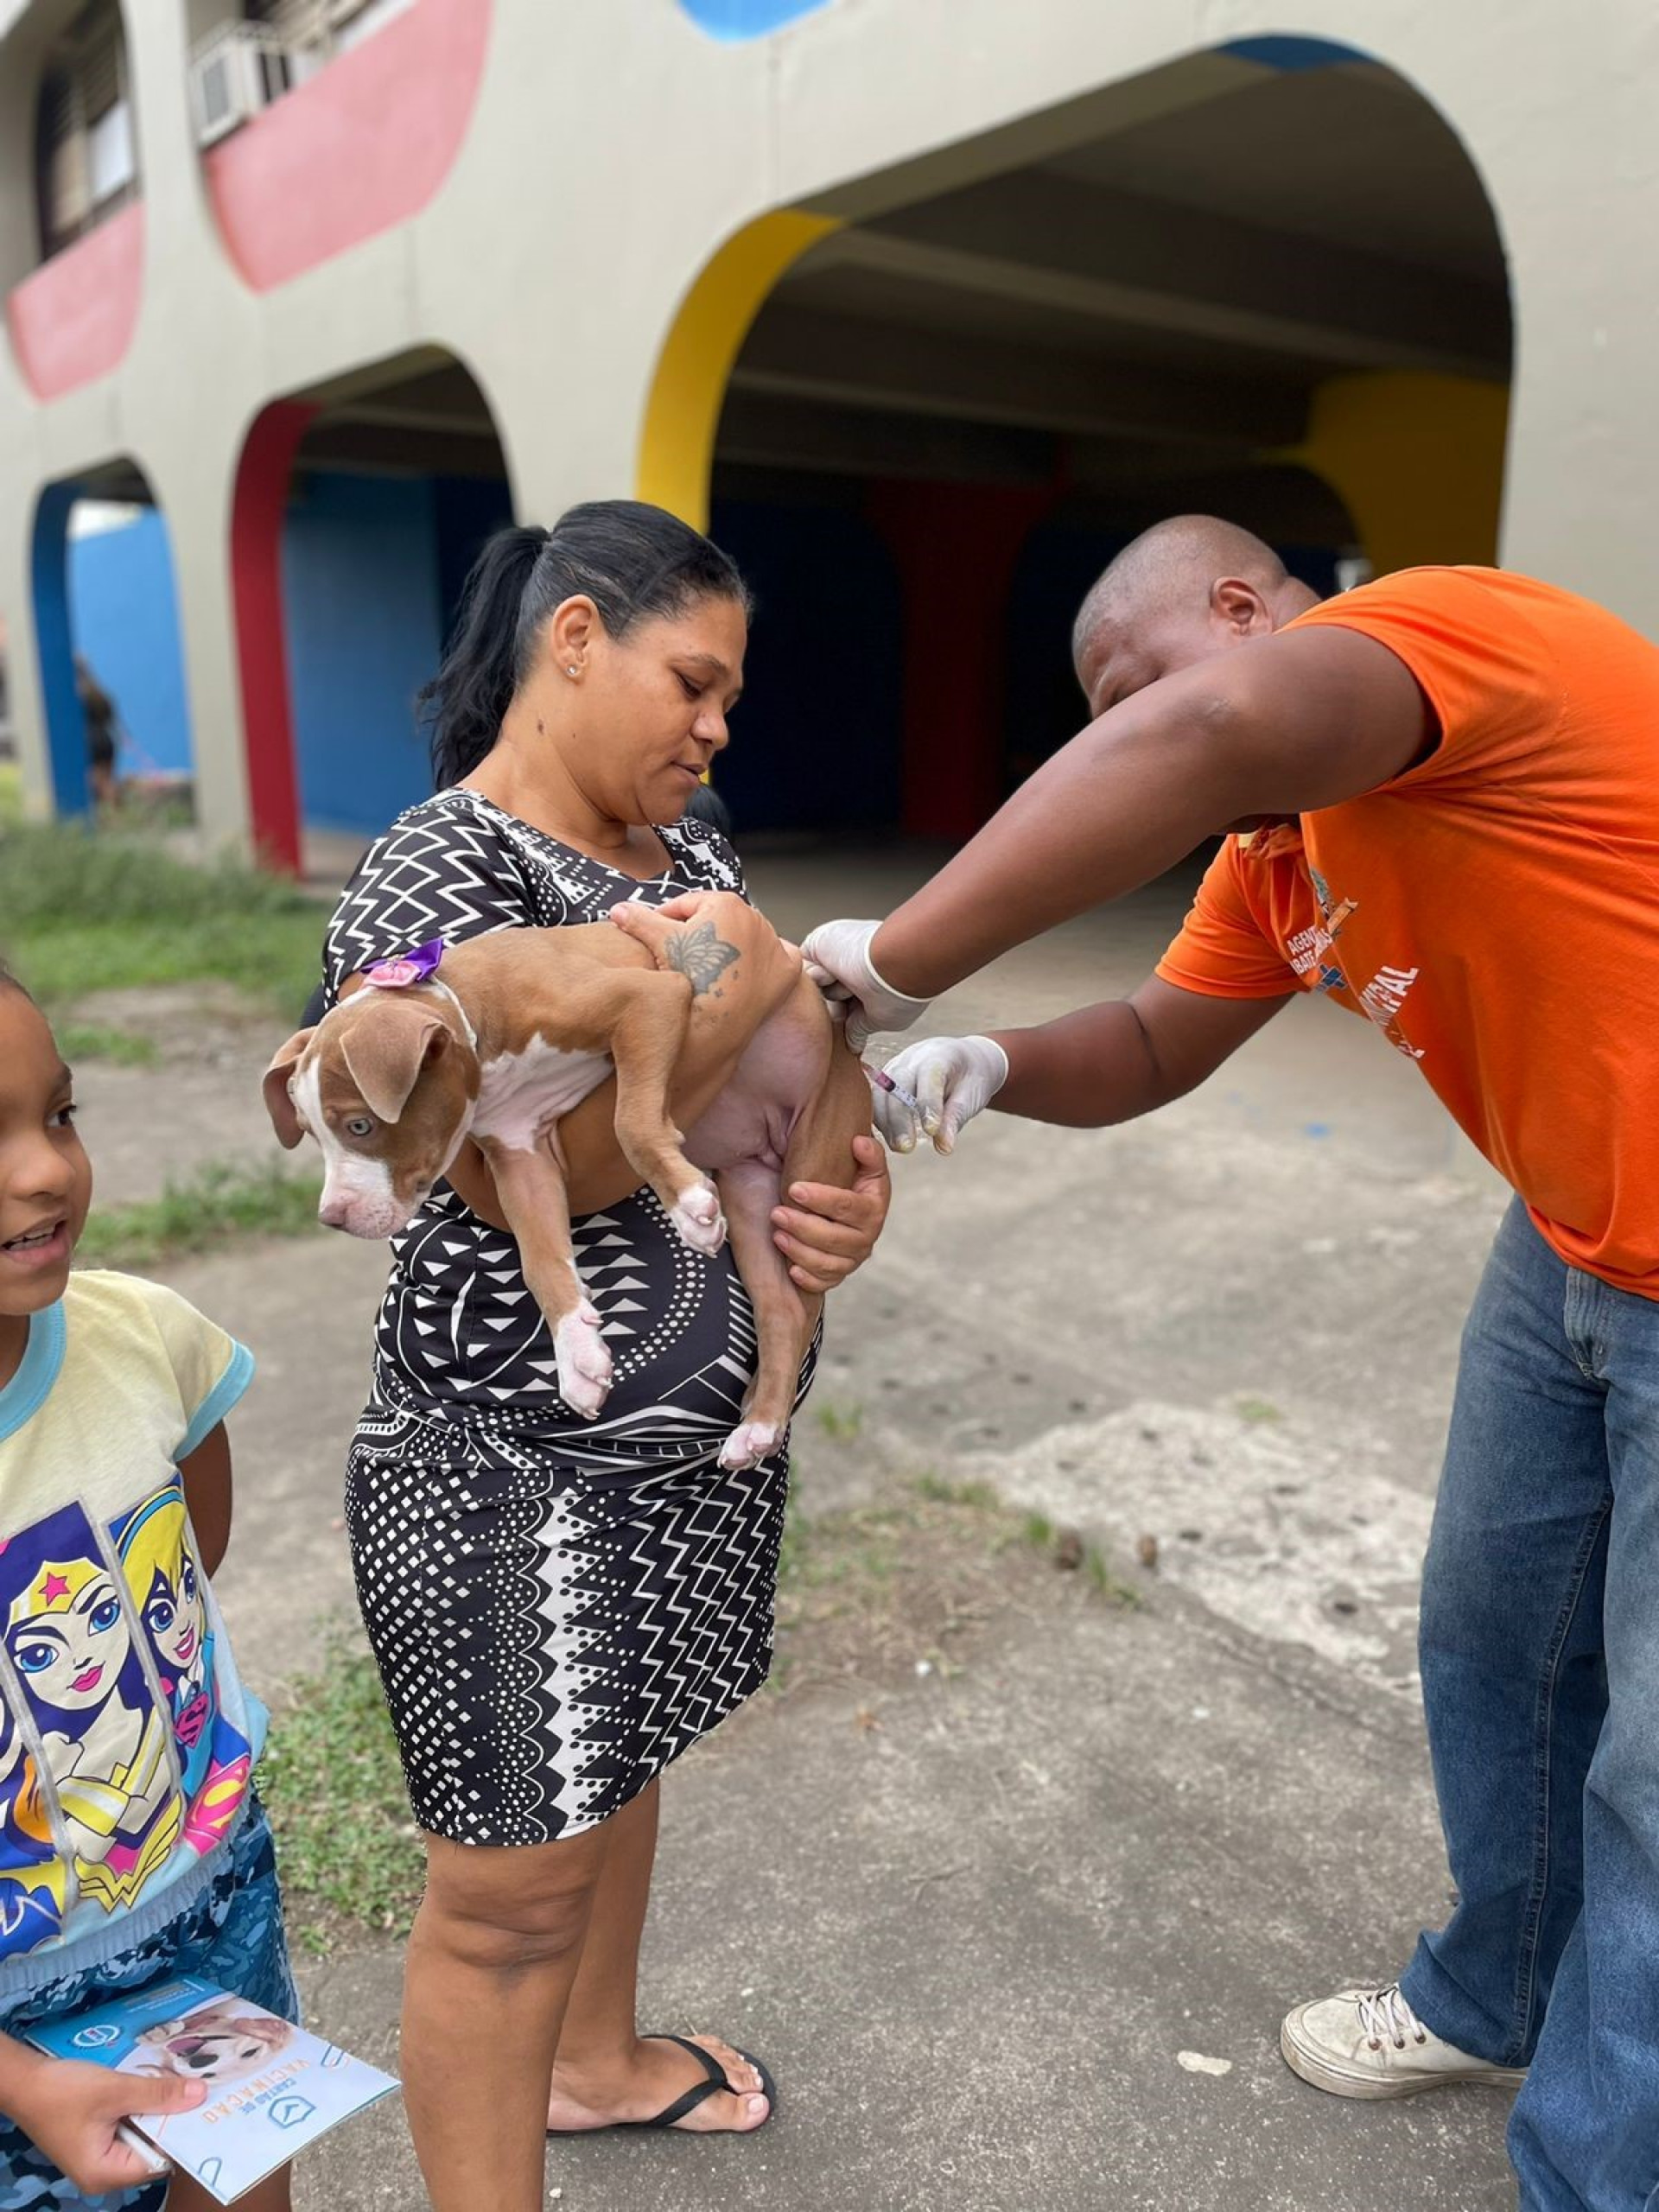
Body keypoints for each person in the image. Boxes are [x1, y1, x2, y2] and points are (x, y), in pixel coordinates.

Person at [802, 516, 1659, 2212]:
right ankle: (1503, 1987)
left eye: (1139, 688)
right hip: (1571, 1238)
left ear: (1248, 608)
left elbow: (1206, 731)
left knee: (1654, 1774)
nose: (1147, 746)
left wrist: (897, 968)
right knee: (1496, 1634)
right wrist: (985, 1058)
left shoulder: (1448, 640)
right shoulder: (1282, 857)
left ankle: (1596, 2172)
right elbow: (1144, 1040)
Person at [315, 502, 890, 2212]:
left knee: (615, 1760)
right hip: (506, 1468)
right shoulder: (444, 864)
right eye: (690, 681)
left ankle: (599, 2060)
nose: (716, 726)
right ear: (574, 638)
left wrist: (842, 1213)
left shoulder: (686, 843)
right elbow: (479, 1179)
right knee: (506, 1900)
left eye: (729, 695)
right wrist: (732, 971)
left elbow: (784, 1084)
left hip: (671, 1459)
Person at [0, 966, 294, 2212]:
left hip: (205, 1886)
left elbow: (192, 1550)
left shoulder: (145, 1341)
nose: (46, 1169)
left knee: (243, 2172)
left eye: (57, 1114)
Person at [73, 659, 119, 814]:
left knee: (94, 783)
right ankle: (114, 816)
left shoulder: (74, 695)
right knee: (107, 782)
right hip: (107, 741)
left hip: (90, 743)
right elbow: (110, 715)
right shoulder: (98, 692)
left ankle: (101, 818)